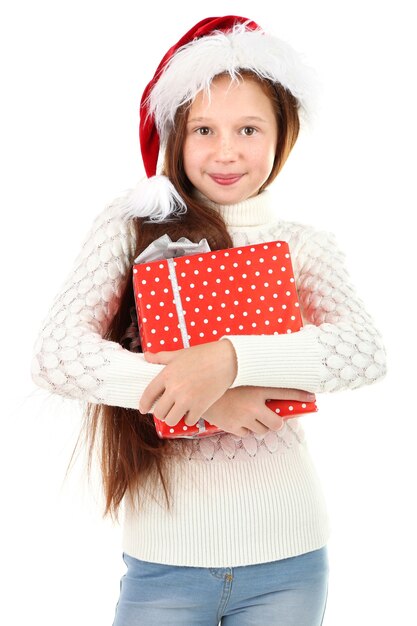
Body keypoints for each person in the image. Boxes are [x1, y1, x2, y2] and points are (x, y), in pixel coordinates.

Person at [31, 15, 386, 626]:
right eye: (204, 130)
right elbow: (57, 355)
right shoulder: (130, 230)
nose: (226, 151)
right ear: (175, 136)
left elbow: (363, 352)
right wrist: (201, 398)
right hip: (164, 561)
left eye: (249, 128)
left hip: (291, 559)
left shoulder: (304, 246)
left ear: (283, 137)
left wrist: (229, 361)